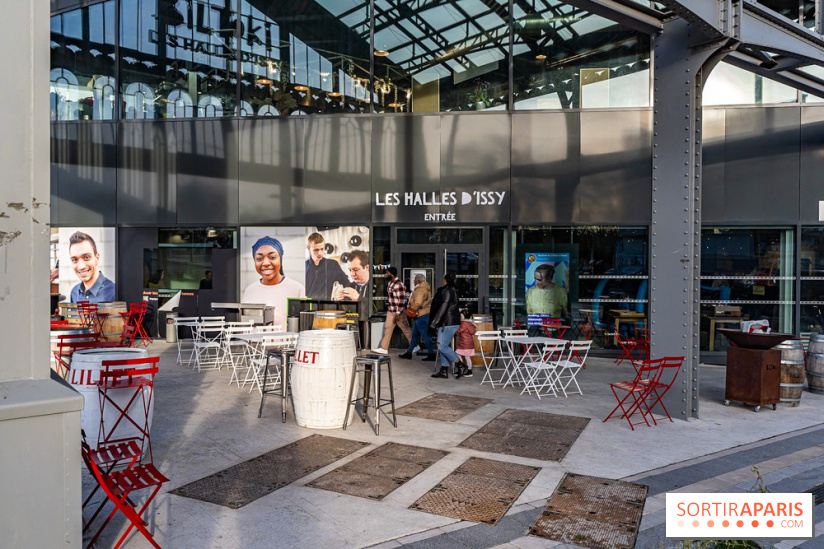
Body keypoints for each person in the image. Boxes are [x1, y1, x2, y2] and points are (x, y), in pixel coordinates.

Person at [241, 236, 306, 330]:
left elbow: (303, 328)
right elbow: (245, 328)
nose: (266, 263)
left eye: (272, 257)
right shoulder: (250, 290)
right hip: (253, 345)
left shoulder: (296, 289)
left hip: (287, 345)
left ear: (281, 259)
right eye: (259, 258)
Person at [335, 249, 371, 348]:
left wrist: (359, 298)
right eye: (350, 270)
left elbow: (378, 311)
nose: (352, 274)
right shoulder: (349, 287)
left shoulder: (378, 287)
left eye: (355, 269)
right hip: (351, 338)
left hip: (371, 338)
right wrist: (338, 301)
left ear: (367, 267)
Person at [372, 266, 412, 355]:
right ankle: (384, 348)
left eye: (387, 273)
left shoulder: (398, 284)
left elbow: (402, 300)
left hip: (399, 311)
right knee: (388, 328)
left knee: (405, 329)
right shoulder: (391, 283)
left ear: (392, 274)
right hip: (391, 310)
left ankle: (414, 345)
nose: (386, 274)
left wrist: (398, 313)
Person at [428, 273, 461, 379]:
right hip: (452, 322)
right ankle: (444, 370)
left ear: (446, 281)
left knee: (441, 346)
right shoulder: (455, 291)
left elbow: (443, 308)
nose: (442, 282)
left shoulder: (447, 291)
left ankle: (460, 365)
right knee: (444, 345)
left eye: (443, 280)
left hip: (447, 323)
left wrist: (434, 323)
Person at [68, 231, 115, 304]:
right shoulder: (74, 293)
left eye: (86, 257)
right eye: (75, 259)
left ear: (97, 258)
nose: (81, 266)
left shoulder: (113, 291)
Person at [398, 274, 435, 361]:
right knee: (414, 335)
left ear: (418, 281)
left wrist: (412, 310)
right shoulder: (426, 289)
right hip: (424, 314)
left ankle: (431, 353)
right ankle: (409, 352)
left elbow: (418, 303)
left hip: (421, 315)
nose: (414, 281)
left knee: (425, 336)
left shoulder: (420, 290)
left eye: (414, 280)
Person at [305, 232, 349, 300]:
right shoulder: (303, 267)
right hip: (307, 308)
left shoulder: (333, 265)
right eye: (316, 250)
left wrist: (342, 294)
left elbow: (347, 283)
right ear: (308, 248)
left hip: (326, 308)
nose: (319, 253)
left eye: (322, 249)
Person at [454, 310, 477, 378]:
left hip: (464, 343)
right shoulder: (471, 324)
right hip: (469, 343)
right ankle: (469, 370)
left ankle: (462, 368)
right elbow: (473, 332)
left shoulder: (464, 323)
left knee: (457, 354)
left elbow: (459, 331)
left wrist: (454, 332)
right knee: (467, 357)